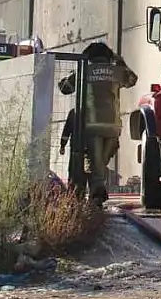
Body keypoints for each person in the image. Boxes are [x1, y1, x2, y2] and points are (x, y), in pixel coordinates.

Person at [58, 42, 138, 206]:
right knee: (99, 162)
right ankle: (97, 192)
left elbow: (65, 88)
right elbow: (132, 80)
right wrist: (120, 61)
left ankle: (97, 192)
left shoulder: (84, 70)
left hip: (91, 126)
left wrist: (69, 76)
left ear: (88, 56)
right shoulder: (117, 72)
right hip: (113, 128)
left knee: (94, 162)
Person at [58, 107, 87, 198]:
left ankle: (74, 195)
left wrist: (62, 145)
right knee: (84, 173)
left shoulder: (74, 112)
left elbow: (66, 131)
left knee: (74, 172)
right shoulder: (94, 112)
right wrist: (62, 145)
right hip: (87, 149)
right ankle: (79, 195)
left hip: (76, 149)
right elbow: (67, 131)